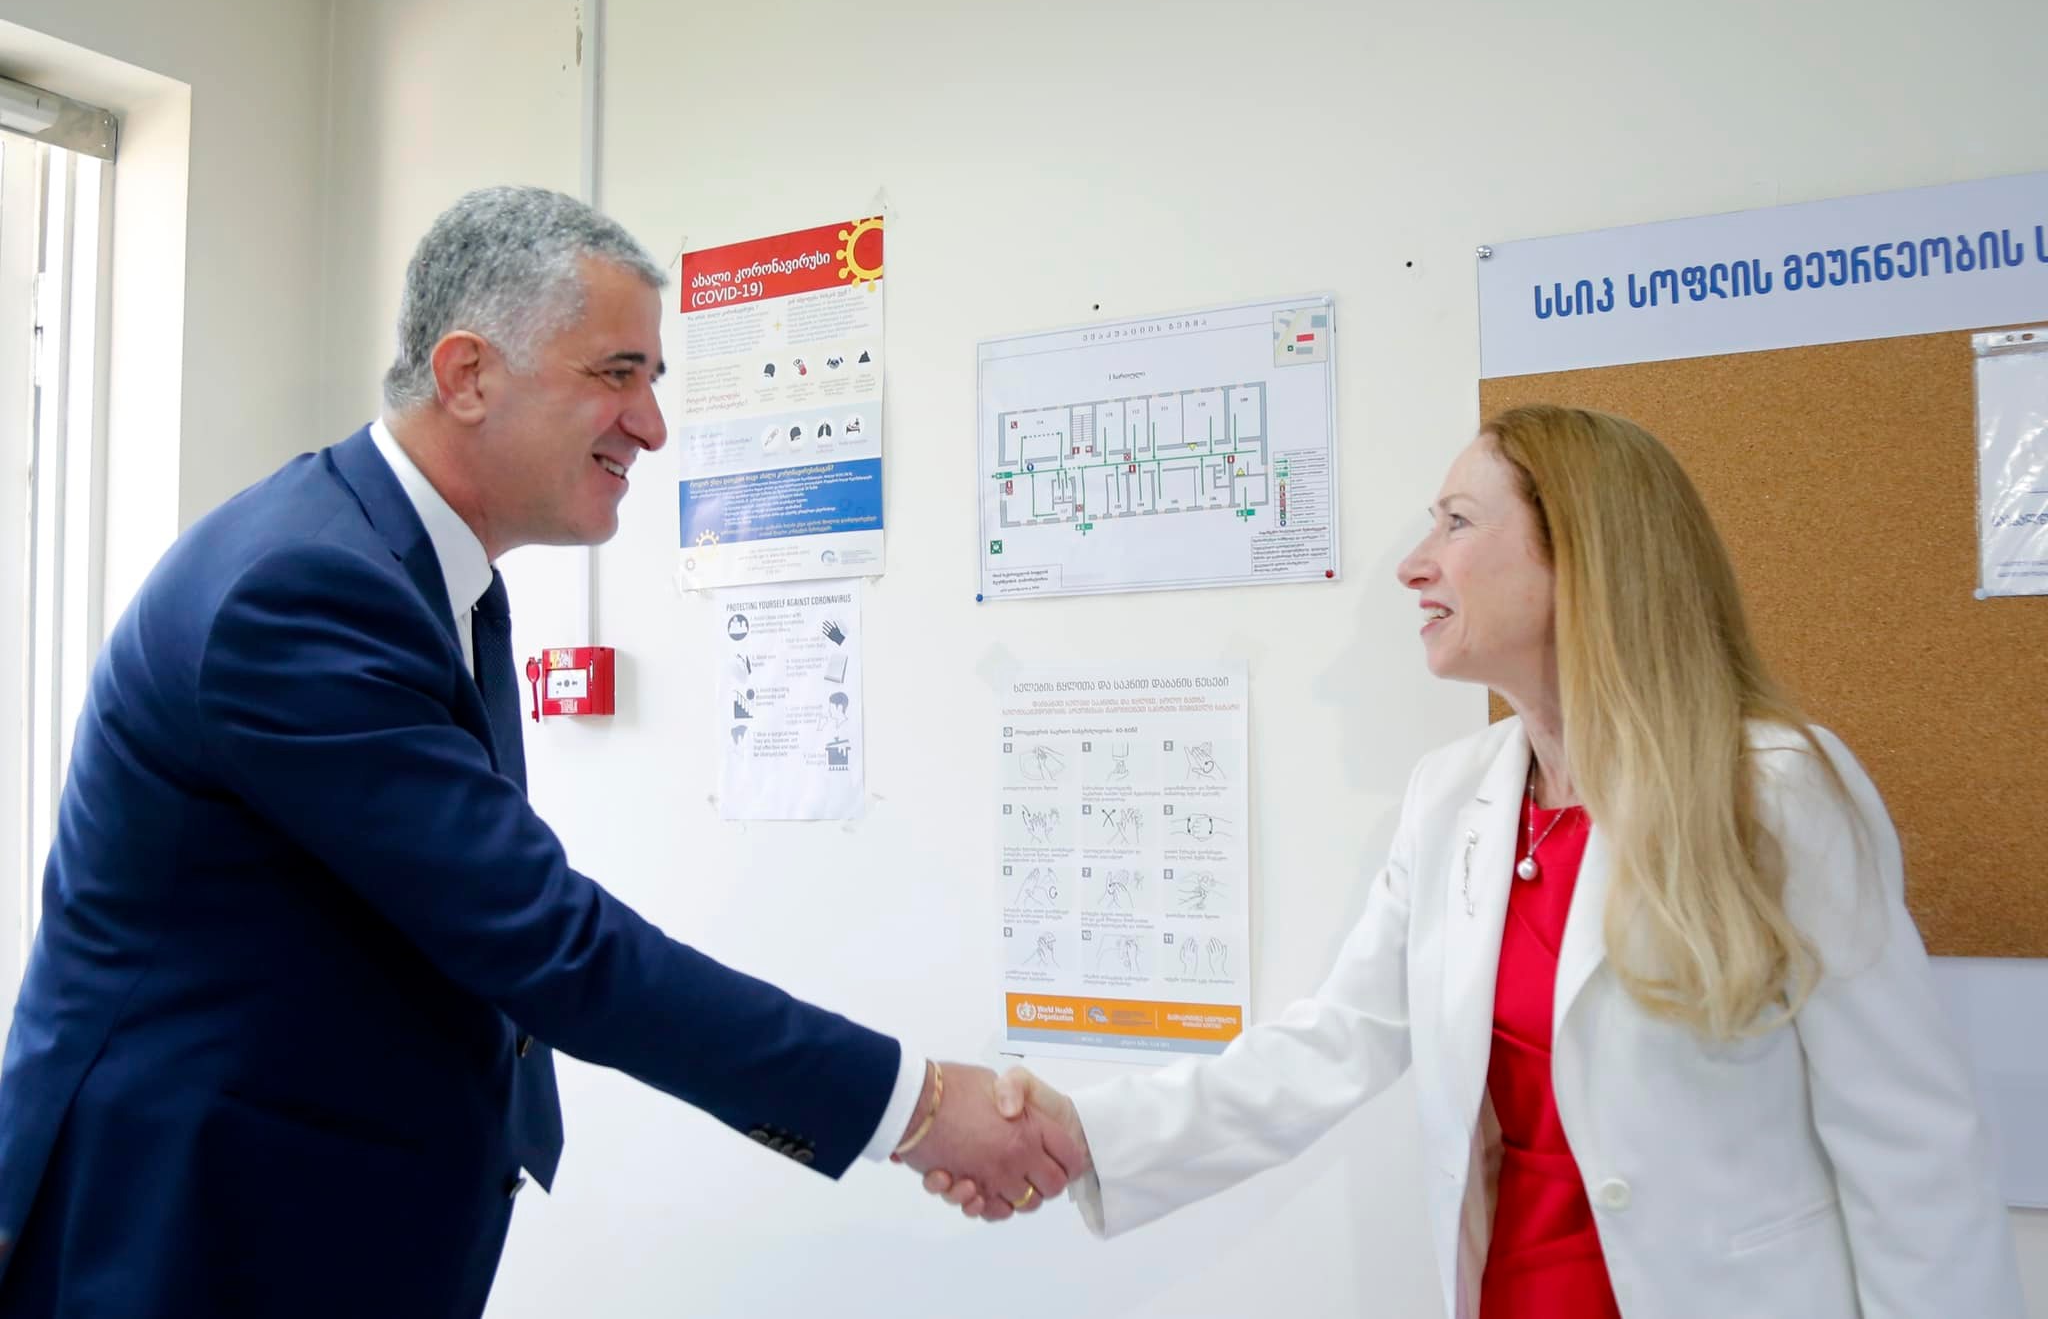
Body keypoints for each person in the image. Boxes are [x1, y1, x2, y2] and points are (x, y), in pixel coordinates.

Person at [0, 188, 1078, 1318]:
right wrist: (914, 1105)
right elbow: (548, 941)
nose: (652, 426)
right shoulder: (303, 591)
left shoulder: (422, 575)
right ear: (468, 374)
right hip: (183, 1239)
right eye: (617, 373)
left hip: (322, 1219)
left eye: (653, 380)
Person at [926, 406, 2025, 1317]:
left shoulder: (1773, 790)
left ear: (1582, 552)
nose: (1415, 564)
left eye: (1455, 522)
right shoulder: (1452, 796)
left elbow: (1911, 1151)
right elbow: (1334, 1042)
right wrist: (1084, 1132)